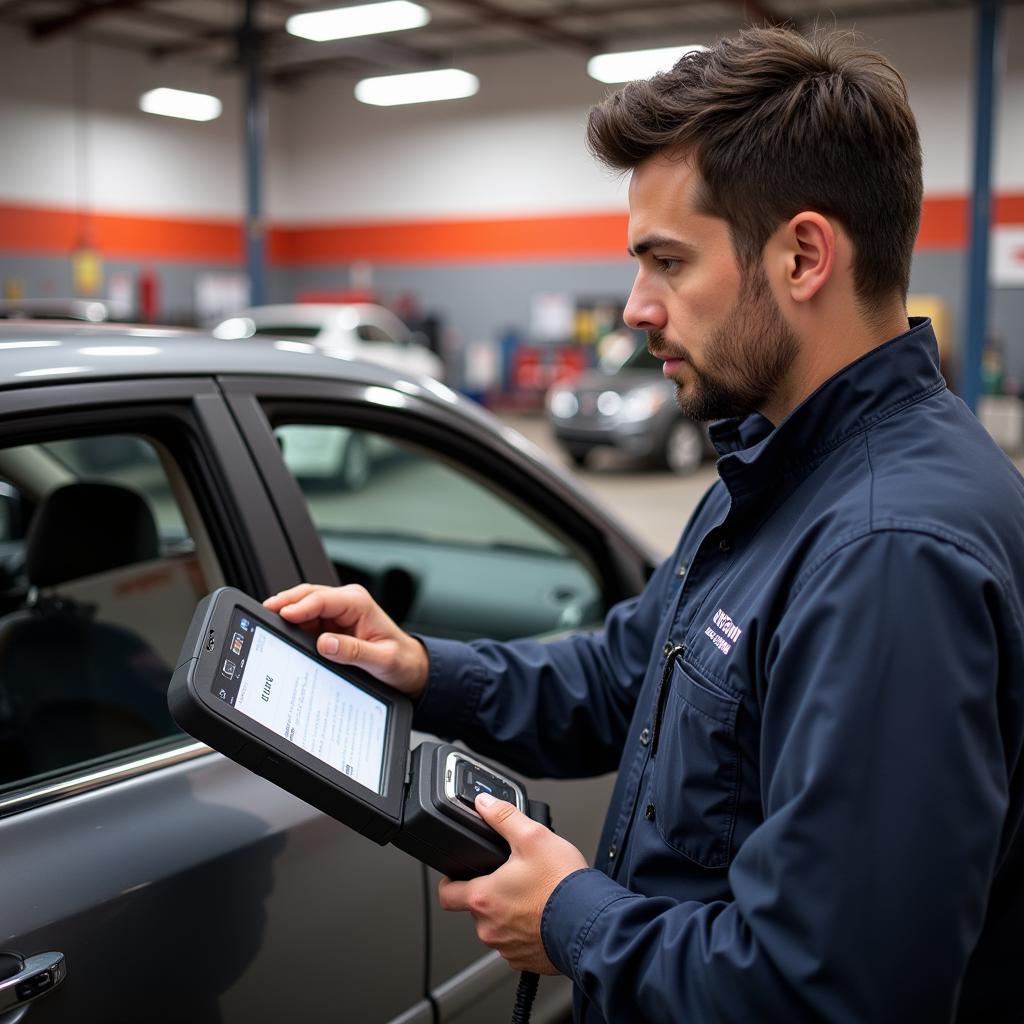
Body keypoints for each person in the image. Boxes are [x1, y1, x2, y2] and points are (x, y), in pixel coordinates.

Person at [264, 26, 1024, 1023]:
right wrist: (422, 668)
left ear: (802, 254)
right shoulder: (780, 463)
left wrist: (572, 917)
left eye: (666, 262)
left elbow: (831, 992)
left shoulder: (886, 555)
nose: (633, 308)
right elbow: (626, 673)